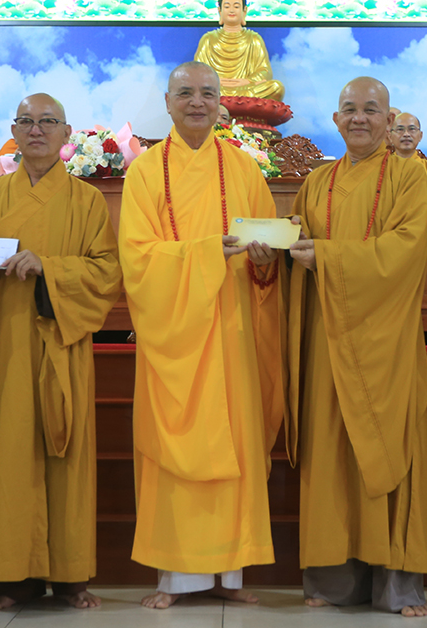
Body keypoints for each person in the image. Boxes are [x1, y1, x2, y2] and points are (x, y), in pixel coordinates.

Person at [119, 61, 284, 608]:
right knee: (174, 450)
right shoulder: (145, 172)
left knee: (235, 444)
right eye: (186, 93)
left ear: (221, 104)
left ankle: (230, 575)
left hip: (232, 329)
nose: (197, 102)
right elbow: (137, 259)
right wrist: (209, 252)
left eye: (207, 93)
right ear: (168, 103)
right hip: (173, 336)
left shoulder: (243, 168)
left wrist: (264, 261)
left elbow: (267, 251)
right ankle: (174, 578)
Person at [0, 93, 122, 610]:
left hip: (59, 342)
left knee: (62, 453)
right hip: (2, 343)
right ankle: (7, 579)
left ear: (67, 133)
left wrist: (50, 266)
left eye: (48, 121)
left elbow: (106, 272)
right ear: (13, 131)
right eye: (26, 121)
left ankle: (70, 577)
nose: (36, 130)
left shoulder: (87, 200)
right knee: (6, 456)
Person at [287, 78, 427, 617]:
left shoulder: (409, 176)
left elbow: (406, 250)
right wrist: (278, 247)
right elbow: (299, 245)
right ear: (335, 119)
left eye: (370, 110)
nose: (359, 118)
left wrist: (325, 257)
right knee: (331, 453)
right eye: (349, 109)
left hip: (387, 339)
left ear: (389, 119)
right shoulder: (316, 181)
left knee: (389, 446)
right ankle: (332, 583)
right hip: (328, 336)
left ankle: (397, 586)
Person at [194, 0, 285, 100]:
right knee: (197, 89)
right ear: (220, 11)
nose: (231, 10)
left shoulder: (254, 39)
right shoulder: (208, 39)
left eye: (236, 6)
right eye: (227, 6)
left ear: (244, 11)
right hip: (217, 88)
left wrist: (247, 81)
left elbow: (264, 71)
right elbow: (198, 71)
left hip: (245, 88)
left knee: (276, 87)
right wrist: (215, 80)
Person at [391, 113, 427, 179]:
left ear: (420, 136)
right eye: (400, 129)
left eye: (412, 129)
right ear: (390, 136)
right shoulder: (383, 169)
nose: (406, 134)